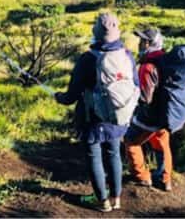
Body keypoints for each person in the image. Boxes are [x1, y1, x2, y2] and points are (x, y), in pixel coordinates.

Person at [55, 11, 138, 212]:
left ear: (96, 32)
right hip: (119, 117)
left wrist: (59, 97)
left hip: (92, 119)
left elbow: (72, 95)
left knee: (94, 156)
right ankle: (116, 198)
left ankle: (102, 201)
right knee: (114, 154)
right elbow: (136, 85)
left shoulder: (88, 58)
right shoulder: (127, 55)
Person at [124, 26, 174, 192]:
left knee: (131, 140)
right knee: (162, 144)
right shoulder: (165, 59)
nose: (140, 44)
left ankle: (142, 176)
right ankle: (165, 180)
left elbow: (145, 98)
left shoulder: (147, 67)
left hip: (150, 116)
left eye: (143, 41)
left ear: (149, 43)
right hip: (165, 114)